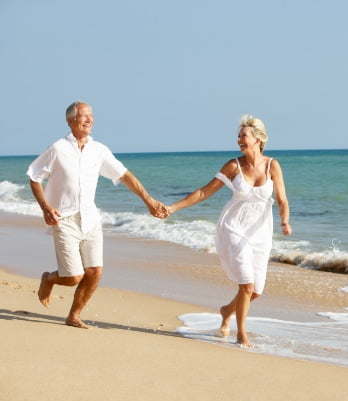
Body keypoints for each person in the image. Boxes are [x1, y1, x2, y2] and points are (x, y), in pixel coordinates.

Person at [27, 101, 168, 329]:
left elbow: (124, 175)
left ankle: (74, 315)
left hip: (91, 219)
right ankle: (49, 278)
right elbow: (34, 176)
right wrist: (45, 207)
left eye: (91, 115)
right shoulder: (58, 149)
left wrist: (149, 201)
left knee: (94, 272)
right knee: (73, 277)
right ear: (70, 120)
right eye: (84, 116)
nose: (90, 119)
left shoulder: (98, 150)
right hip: (64, 219)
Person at [168, 114, 292, 347]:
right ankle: (241, 334)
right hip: (234, 228)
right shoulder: (233, 165)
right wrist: (174, 207)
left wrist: (285, 221)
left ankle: (226, 310)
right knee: (246, 285)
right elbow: (205, 191)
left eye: (244, 135)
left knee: (255, 291)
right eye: (238, 136)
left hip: (261, 234)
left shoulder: (272, 165)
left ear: (258, 139)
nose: (239, 140)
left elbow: (282, 199)